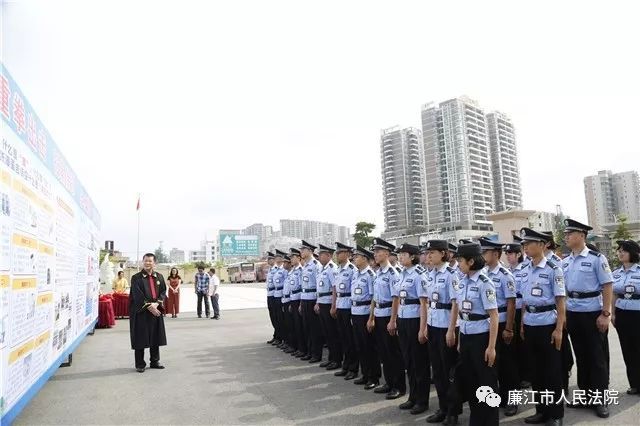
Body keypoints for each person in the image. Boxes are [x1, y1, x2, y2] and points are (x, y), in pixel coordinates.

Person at [562, 218, 613, 419]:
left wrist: (605, 313)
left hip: (593, 312)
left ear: (581, 236)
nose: (566, 237)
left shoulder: (596, 258)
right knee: (581, 356)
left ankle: (600, 399)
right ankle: (585, 396)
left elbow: (607, 285)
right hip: (573, 312)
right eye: (565, 234)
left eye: (570, 234)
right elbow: (564, 291)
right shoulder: (565, 261)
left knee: (596, 357)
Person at [516, 228, 567, 426]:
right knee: (535, 371)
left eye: (529, 243)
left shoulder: (554, 268)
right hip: (530, 323)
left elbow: (560, 301)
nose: (525, 247)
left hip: (548, 325)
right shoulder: (525, 269)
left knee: (552, 371)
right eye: (524, 244)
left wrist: (559, 329)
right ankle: (541, 410)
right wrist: (521, 323)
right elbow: (524, 302)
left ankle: (556, 414)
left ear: (543, 245)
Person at [450, 243, 499, 426]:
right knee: (471, 382)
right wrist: (461, 339)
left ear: (471, 261)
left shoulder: (484, 283)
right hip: (467, 337)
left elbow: (493, 316)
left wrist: (491, 347)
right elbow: (463, 314)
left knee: (486, 382)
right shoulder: (462, 281)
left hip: (482, 338)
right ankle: (477, 419)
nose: (458, 264)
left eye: (460, 261)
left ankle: (490, 421)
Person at [421, 240, 461, 425]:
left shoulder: (452, 275)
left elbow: (455, 303)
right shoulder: (430, 275)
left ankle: (453, 412)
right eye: (427, 253)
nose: (428, 256)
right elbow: (428, 303)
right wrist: (426, 326)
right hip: (433, 325)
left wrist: (451, 330)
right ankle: (443, 407)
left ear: (444, 253)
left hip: (447, 327)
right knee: (437, 370)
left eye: (432, 252)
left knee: (449, 371)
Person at [478, 237, 518, 417]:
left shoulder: (505, 275)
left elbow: (511, 303)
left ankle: (512, 400)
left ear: (495, 254)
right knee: (492, 363)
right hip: (488, 323)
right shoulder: (483, 273)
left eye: (485, 252)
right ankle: (498, 396)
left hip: (502, 321)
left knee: (509, 364)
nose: (483, 255)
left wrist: (509, 328)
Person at [388, 243, 430, 415]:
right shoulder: (401, 274)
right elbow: (397, 299)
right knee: (409, 361)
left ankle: (422, 400)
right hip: (403, 320)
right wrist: (393, 320)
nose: (400, 257)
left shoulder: (420, 275)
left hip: (415, 321)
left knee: (419, 362)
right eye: (399, 254)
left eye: (403, 254)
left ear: (412, 256)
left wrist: (422, 329)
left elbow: (424, 304)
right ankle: (412, 396)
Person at [368, 238, 405, 400]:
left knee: (393, 353)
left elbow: (396, 299)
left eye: (378, 252)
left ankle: (399, 386)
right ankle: (389, 382)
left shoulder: (393, 274)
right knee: (384, 352)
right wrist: (371, 317)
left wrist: (393, 320)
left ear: (387, 254)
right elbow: (375, 298)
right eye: (374, 252)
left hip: (389, 315)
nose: (375, 255)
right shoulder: (377, 274)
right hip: (378, 314)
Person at [129, 253, 167, 373]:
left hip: (156, 311)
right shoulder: (136, 278)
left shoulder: (159, 277)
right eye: (145, 261)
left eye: (150, 261)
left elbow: (163, 292)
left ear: (154, 263)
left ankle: (155, 361)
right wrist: (150, 306)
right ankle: (140, 364)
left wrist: (157, 304)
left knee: (155, 336)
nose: (147, 263)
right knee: (141, 337)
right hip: (141, 312)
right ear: (142, 262)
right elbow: (137, 295)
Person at [611, 239, 640, 396]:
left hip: (638, 313)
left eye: (624, 250)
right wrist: (613, 313)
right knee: (627, 349)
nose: (620, 253)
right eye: (619, 250)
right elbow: (614, 293)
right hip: (622, 313)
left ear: (633, 253)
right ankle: (634, 383)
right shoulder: (616, 273)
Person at [350, 245, 381, 389]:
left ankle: (374, 377)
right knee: (360, 346)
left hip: (365, 313)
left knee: (369, 347)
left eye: (357, 257)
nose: (354, 259)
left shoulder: (370, 275)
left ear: (364, 259)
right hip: (355, 312)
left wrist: (371, 318)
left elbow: (373, 298)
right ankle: (365, 374)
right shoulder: (356, 274)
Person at [504, 242, 532, 388]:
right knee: (512, 345)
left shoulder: (525, 269)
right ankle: (517, 374)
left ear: (519, 255)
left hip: (522, 309)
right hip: (510, 311)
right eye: (507, 254)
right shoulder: (506, 271)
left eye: (510, 253)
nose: (508, 256)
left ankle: (527, 375)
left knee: (523, 344)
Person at [331, 242, 359, 380]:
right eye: (336, 253)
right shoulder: (338, 269)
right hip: (340, 305)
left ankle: (353, 368)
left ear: (347, 254)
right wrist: (334, 305)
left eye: (340, 253)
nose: (337, 255)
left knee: (350, 338)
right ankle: (346, 365)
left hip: (348, 305)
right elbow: (335, 289)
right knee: (343, 337)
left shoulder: (352, 269)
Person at [315, 244, 341, 370]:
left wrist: (333, 306)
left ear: (329, 255)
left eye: (322, 254)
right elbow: (320, 288)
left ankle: (337, 359)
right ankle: (331, 358)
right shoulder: (322, 268)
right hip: (322, 302)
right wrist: (318, 303)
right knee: (327, 333)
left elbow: (335, 288)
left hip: (329, 302)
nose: (319, 256)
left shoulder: (332, 268)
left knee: (332, 333)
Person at [299, 240, 324, 363]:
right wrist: (300, 302)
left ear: (310, 251)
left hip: (312, 299)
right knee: (307, 327)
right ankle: (309, 352)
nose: (301, 252)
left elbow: (319, 285)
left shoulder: (316, 265)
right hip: (304, 299)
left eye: (303, 250)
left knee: (314, 329)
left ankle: (316, 354)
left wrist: (318, 302)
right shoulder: (305, 265)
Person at [289, 248, 306, 358]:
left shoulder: (300, 270)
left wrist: (300, 303)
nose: (291, 259)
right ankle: (299, 348)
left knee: (301, 327)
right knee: (296, 326)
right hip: (293, 298)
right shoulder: (293, 270)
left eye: (292, 257)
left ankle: (303, 349)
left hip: (299, 299)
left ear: (298, 258)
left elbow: (301, 288)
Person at [272, 250, 288, 344]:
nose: (277, 258)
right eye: (276, 257)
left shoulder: (284, 269)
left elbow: (286, 283)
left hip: (282, 295)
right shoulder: (275, 269)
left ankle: (283, 339)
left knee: (282, 319)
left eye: (279, 257)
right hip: (275, 294)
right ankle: (279, 337)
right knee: (277, 318)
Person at [280, 255, 295, 353]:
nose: (284, 264)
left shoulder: (293, 273)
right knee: (288, 324)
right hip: (285, 300)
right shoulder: (288, 274)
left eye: (286, 262)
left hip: (290, 300)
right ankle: (290, 344)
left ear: (290, 264)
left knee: (292, 325)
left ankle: (293, 345)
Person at [265, 252, 280, 344]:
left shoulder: (276, 269)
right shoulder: (270, 270)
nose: (268, 261)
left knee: (277, 317)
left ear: (273, 260)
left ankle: (278, 336)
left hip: (275, 294)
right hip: (269, 294)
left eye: (269, 259)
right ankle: (276, 335)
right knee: (272, 317)